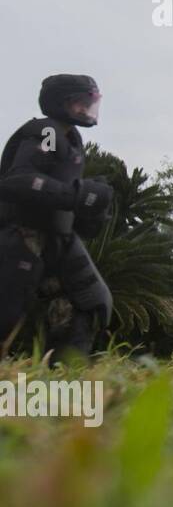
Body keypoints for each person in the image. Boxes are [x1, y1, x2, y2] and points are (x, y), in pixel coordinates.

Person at [0, 75, 114, 363]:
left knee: (90, 300)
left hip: (58, 237)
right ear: (63, 103)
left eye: (90, 102)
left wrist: (91, 210)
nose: (87, 109)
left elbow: (65, 192)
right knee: (8, 310)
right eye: (81, 102)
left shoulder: (72, 139)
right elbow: (20, 180)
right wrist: (75, 195)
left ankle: (68, 371)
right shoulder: (47, 132)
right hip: (24, 235)